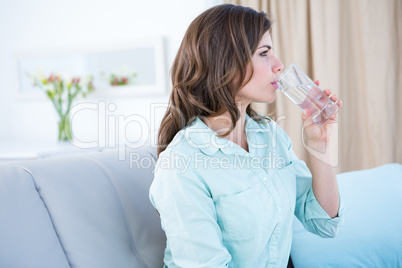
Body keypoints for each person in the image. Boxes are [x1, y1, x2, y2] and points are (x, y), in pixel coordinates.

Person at [149, 4, 344, 268]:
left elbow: (323, 223)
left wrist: (321, 144)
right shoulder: (181, 165)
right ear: (224, 62)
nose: (279, 65)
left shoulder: (270, 135)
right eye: (264, 53)